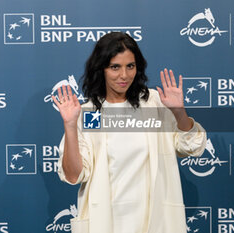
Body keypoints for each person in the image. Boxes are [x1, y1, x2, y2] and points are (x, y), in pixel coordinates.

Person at [52, 32, 206, 233]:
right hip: (106, 223)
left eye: (130, 66)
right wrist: (70, 125)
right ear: (102, 69)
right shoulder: (91, 113)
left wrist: (179, 112)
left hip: (156, 222)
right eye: (115, 67)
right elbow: (74, 175)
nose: (124, 75)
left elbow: (192, 147)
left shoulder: (154, 103)